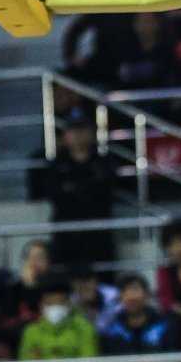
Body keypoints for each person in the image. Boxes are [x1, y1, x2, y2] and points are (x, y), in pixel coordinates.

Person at [44, 109, 115, 266]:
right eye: (73, 129)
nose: (78, 134)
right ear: (65, 135)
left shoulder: (103, 162)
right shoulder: (56, 165)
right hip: (67, 235)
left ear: (91, 132)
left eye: (82, 129)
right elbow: (56, 196)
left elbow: (105, 194)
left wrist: (74, 189)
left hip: (98, 235)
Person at [18, 276, 98, 362]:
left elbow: (89, 361)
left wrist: (48, 361)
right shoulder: (31, 331)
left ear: (69, 304)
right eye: (50, 303)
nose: (55, 307)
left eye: (60, 302)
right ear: (41, 305)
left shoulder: (84, 328)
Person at [156, 218, 181, 348]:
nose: (178, 248)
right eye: (172, 244)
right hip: (178, 319)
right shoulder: (164, 272)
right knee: (170, 328)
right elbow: (167, 301)